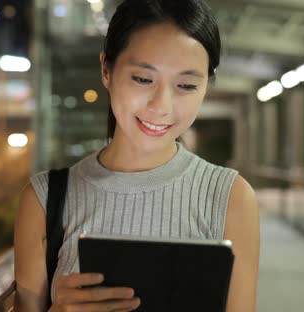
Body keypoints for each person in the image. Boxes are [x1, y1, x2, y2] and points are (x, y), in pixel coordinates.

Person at [13, 0, 260, 311]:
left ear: (206, 87)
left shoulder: (230, 198)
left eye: (186, 85)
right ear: (106, 69)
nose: (161, 106)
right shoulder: (44, 200)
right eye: (143, 79)